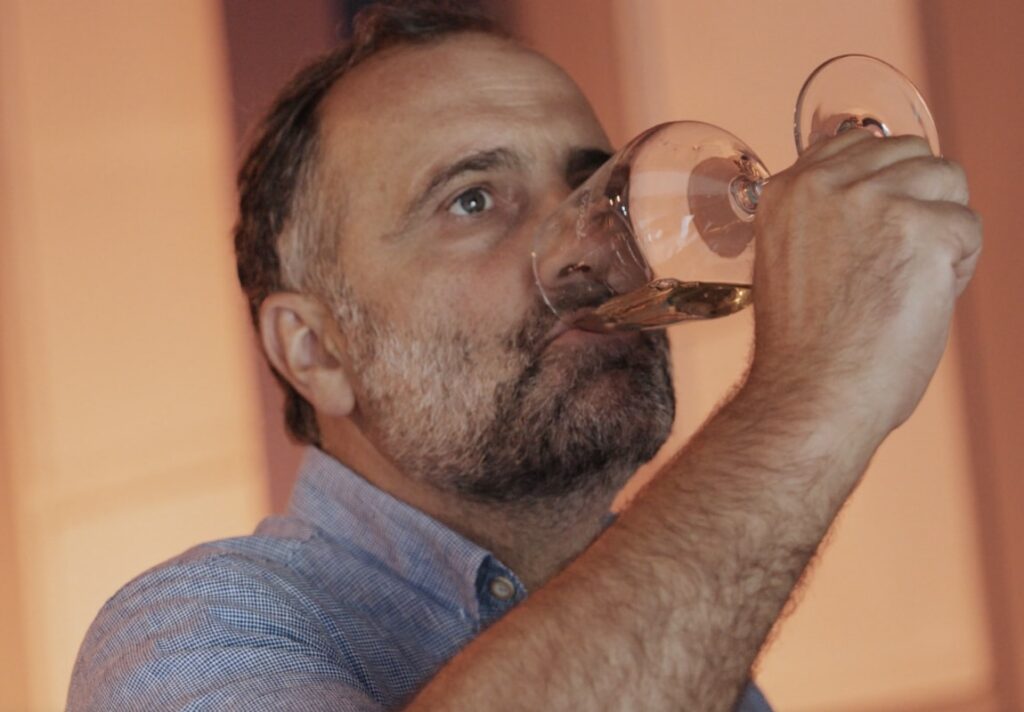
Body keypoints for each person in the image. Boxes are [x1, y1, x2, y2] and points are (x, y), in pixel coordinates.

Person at [67, 2, 981, 711]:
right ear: (316, 350)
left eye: (594, 186)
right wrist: (808, 397)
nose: (590, 248)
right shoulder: (187, 636)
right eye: (472, 200)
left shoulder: (691, 627)